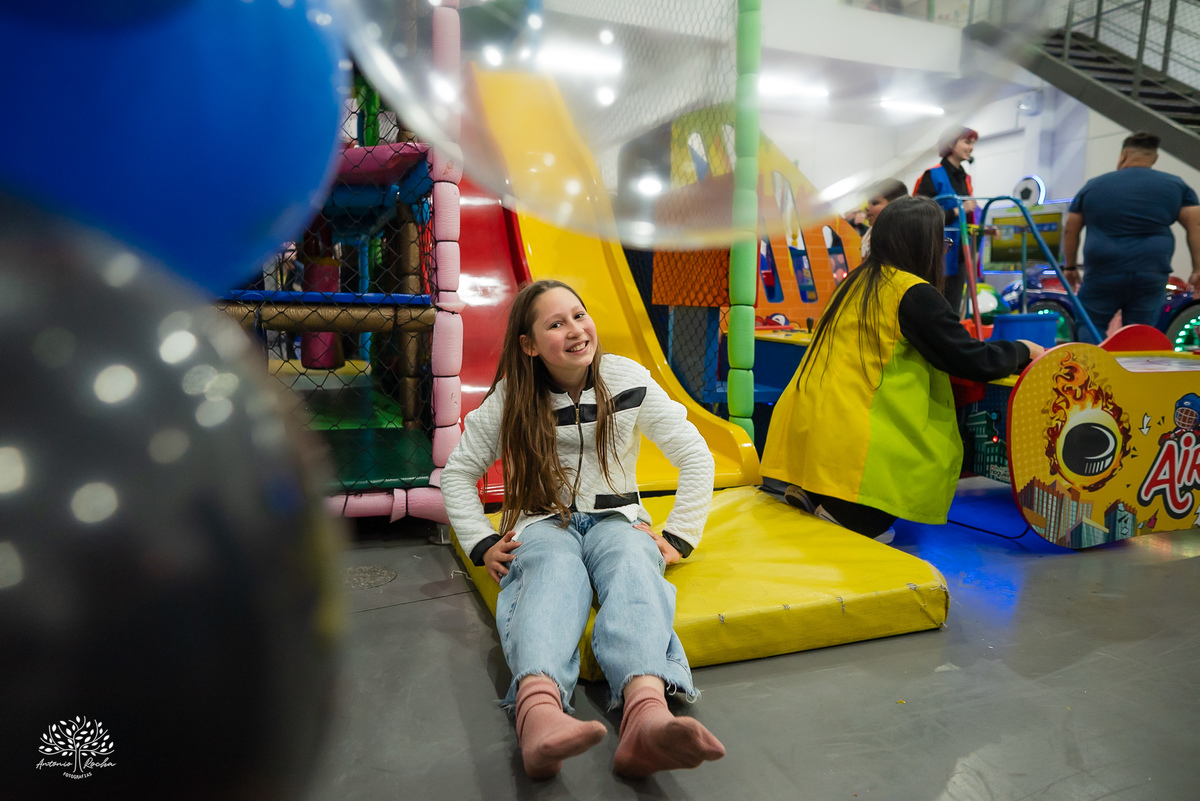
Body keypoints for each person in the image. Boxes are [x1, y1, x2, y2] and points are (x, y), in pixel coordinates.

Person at [441, 279, 725, 781]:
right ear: (528, 346)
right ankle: (540, 714)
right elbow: (459, 473)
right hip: (544, 520)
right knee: (552, 569)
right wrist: (481, 543)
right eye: (556, 324)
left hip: (618, 519)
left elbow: (695, 455)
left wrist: (679, 535)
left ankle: (646, 715)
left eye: (579, 314)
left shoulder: (625, 379)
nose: (575, 330)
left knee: (635, 562)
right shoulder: (513, 397)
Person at [761, 196, 1045, 540]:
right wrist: (1022, 349)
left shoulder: (856, 281)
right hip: (858, 431)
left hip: (814, 423)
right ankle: (845, 515)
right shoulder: (912, 292)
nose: (943, 252)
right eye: (941, 243)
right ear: (923, 244)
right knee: (891, 497)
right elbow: (971, 358)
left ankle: (820, 497)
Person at [1063, 131, 1200, 340]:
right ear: (1154, 158)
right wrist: (1198, 268)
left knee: (1090, 323)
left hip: (1103, 270)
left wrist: (1070, 267)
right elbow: (1196, 225)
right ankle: (1135, 371)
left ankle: (1091, 369)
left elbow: (1070, 228)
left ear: (1124, 154)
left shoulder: (1093, 186)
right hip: (1151, 270)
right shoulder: (1176, 186)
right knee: (1140, 331)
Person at [915, 126, 980, 311]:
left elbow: (971, 212)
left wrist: (983, 229)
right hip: (937, 251)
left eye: (973, 143)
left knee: (952, 305)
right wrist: (958, 211)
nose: (971, 148)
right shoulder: (932, 175)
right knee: (932, 306)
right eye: (967, 142)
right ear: (951, 144)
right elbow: (920, 215)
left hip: (960, 251)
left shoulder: (965, 178)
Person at [859, 178, 909, 258]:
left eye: (875, 203)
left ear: (895, 205)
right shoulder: (866, 237)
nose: (867, 208)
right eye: (868, 202)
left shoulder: (906, 238)